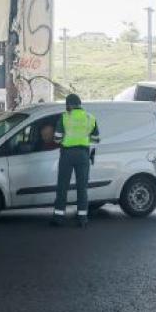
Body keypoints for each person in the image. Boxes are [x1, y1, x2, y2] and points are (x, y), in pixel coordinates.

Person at [52, 93, 100, 226]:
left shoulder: (64, 118)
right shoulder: (90, 118)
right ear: (80, 104)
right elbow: (96, 139)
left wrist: (65, 139)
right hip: (83, 155)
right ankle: (82, 219)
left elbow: (57, 138)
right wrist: (84, 140)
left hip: (67, 154)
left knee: (62, 186)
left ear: (69, 105)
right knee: (82, 187)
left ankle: (58, 218)